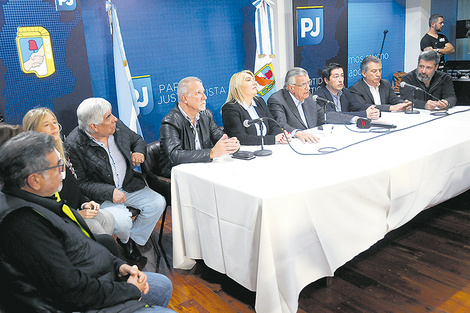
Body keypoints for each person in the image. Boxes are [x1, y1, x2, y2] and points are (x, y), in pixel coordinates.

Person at [0, 131, 174, 313]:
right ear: (34, 180)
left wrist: (119, 266)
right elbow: (71, 291)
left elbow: (82, 247)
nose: (63, 171)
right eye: (58, 167)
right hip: (87, 300)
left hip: (100, 278)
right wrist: (129, 290)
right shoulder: (23, 224)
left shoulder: (39, 201)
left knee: (161, 285)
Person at [65, 98, 166, 262]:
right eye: (108, 117)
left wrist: (139, 151)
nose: (115, 119)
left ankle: (130, 240)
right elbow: (80, 183)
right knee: (123, 222)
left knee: (157, 203)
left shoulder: (116, 127)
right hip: (101, 195)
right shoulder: (73, 144)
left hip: (128, 184)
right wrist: (109, 191)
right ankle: (127, 241)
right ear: (94, 127)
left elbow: (137, 140)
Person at [23, 107, 115, 236]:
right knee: (95, 228)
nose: (54, 127)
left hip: (74, 210)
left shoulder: (60, 152)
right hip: (61, 219)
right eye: (47, 124)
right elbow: (47, 207)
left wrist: (84, 203)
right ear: (34, 131)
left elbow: (73, 188)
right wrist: (76, 215)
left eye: (54, 122)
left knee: (108, 218)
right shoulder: (35, 165)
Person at [160, 77, 240, 178]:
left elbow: (218, 136)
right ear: (185, 99)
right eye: (198, 93)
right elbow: (175, 155)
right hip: (178, 174)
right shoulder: (171, 120)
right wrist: (210, 153)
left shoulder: (206, 115)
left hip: (203, 168)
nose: (205, 97)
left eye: (204, 92)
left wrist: (231, 144)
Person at [268, 67, 359, 143]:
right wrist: (297, 133)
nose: (308, 87)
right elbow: (280, 125)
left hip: (313, 141)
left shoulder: (309, 98)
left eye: (308, 83)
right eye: (303, 84)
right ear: (291, 88)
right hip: (294, 144)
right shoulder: (277, 100)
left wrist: (354, 119)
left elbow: (325, 115)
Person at [222, 70, 291, 145]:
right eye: (248, 80)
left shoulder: (259, 101)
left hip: (268, 148)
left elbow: (273, 124)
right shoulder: (230, 108)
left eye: (254, 80)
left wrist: (281, 135)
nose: (255, 83)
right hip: (246, 152)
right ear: (237, 86)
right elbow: (241, 138)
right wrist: (273, 139)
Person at [314, 63, 380, 121]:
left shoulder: (345, 92)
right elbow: (333, 115)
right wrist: (364, 114)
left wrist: (372, 111)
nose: (340, 80)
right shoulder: (319, 96)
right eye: (336, 77)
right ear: (326, 80)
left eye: (342, 76)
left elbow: (358, 107)